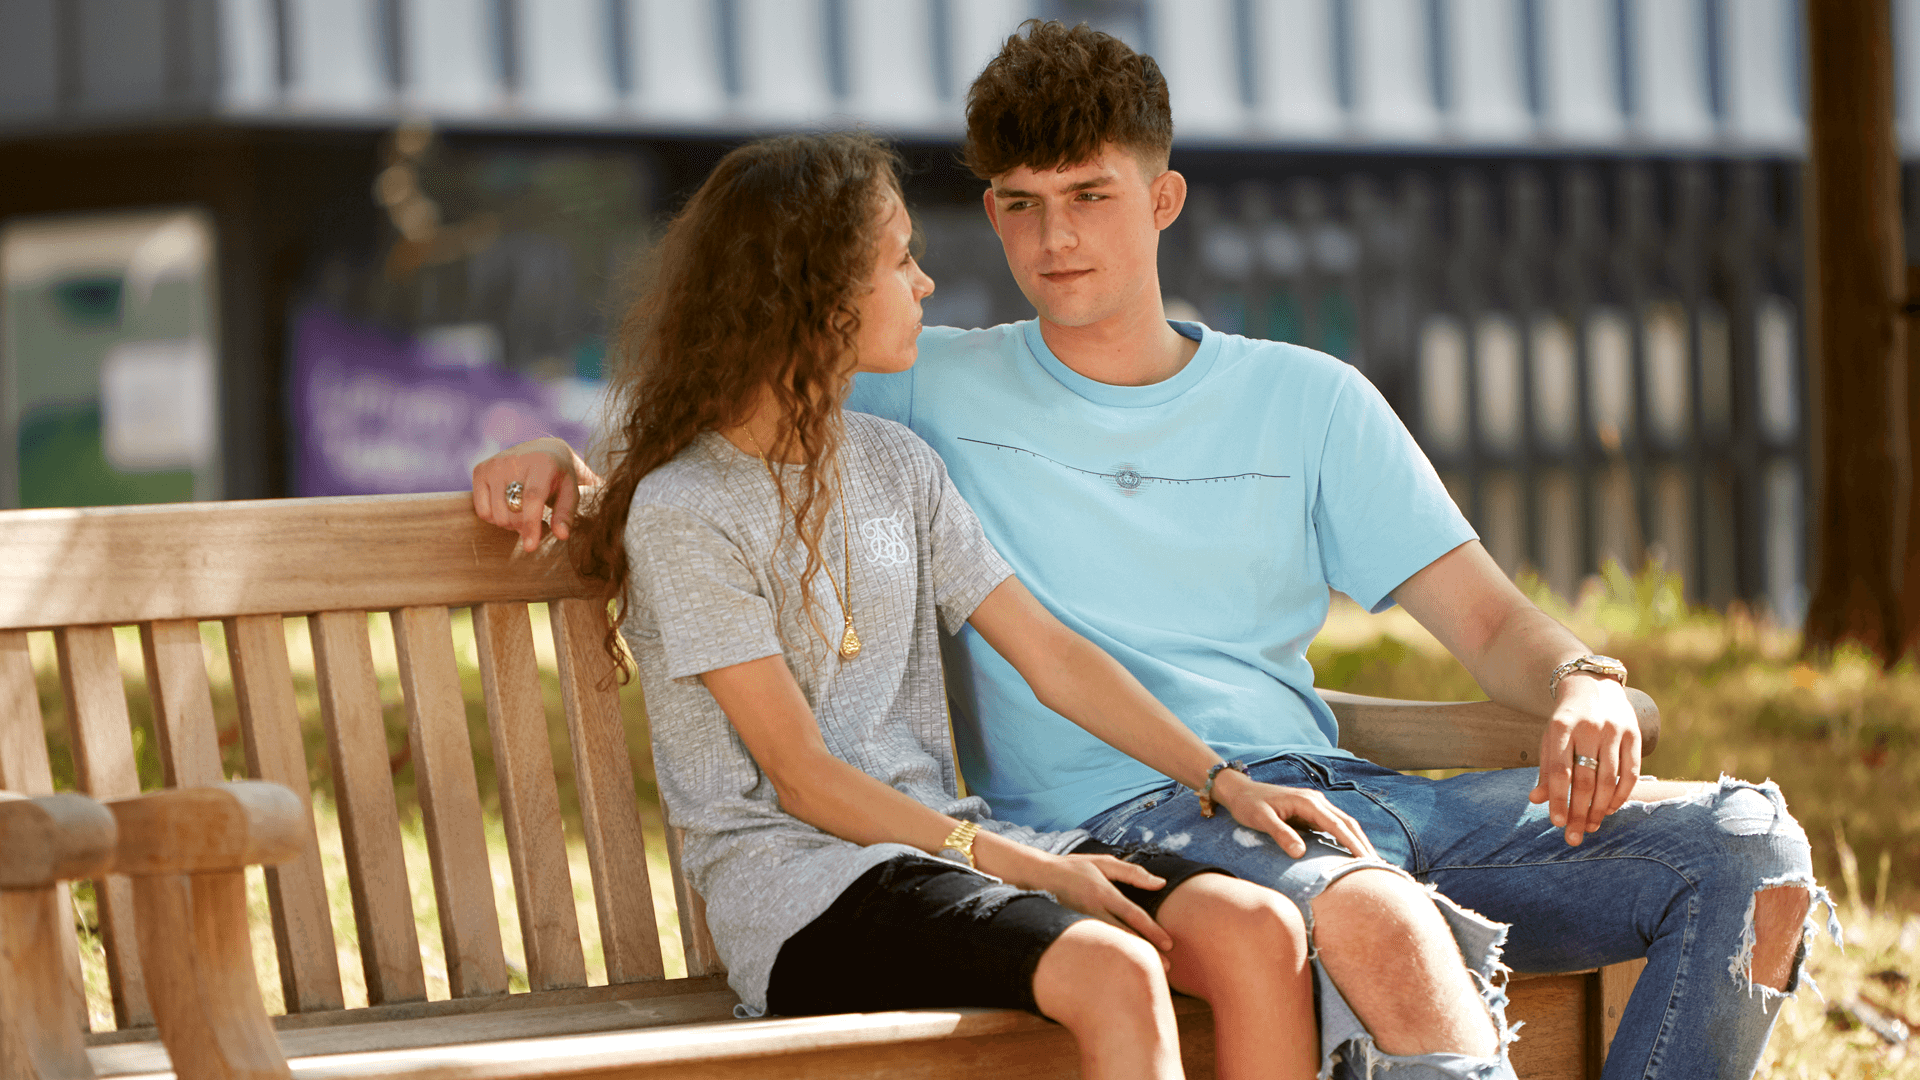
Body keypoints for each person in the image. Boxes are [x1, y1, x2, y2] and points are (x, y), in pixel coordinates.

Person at [475, 21, 1836, 1080]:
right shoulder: (924, 389)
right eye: (1015, 203)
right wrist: (557, 456)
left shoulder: (1309, 399)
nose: (1053, 239)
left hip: (1327, 794)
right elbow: (731, 422)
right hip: (1136, 824)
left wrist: (1589, 674)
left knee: (1751, 855)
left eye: (1090, 193)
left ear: (1165, 197)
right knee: (1375, 921)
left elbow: (1489, 628)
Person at [518, 129, 1382, 1080]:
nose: (925, 285)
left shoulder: (897, 466)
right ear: (816, 292)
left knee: (1256, 927)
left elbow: (1049, 652)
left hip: (945, 840)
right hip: (802, 886)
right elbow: (800, 779)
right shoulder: (687, 510)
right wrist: (1030, 868)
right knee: (1114, 966)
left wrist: (1223, 780)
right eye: (901, 261)